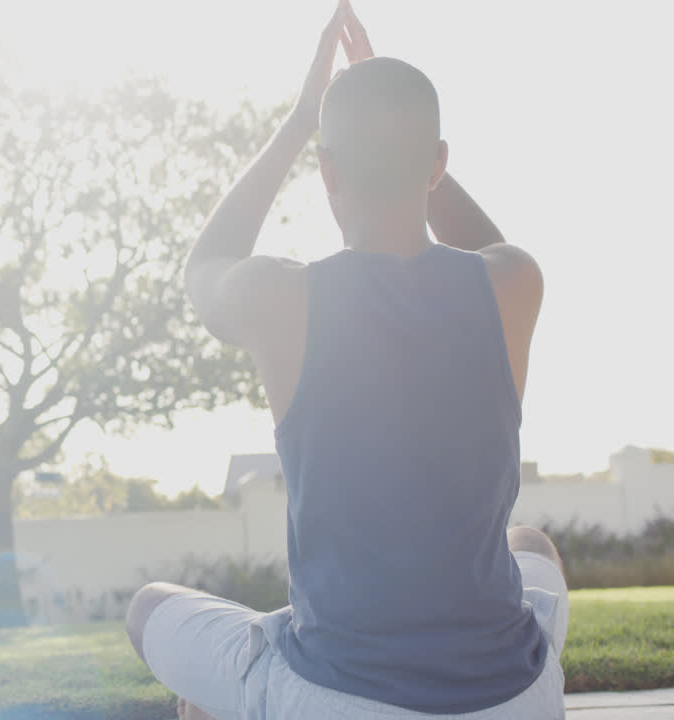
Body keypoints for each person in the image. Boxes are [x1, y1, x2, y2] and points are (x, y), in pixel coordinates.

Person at [125, 2, 570, 718]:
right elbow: (492, 248)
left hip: (339, 698)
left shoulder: (281, 296)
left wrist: (304, 119)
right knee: (531, 545)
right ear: (438, 165)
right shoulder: (515, 285)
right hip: (512, 695)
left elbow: (205, 264)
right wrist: (409, 141)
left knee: (150, 611)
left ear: (326, 169)